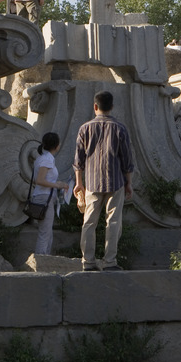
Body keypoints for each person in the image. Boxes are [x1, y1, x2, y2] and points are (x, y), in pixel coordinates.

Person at [73, 91, 134, 272]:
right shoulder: (120, 128)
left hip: (92, 182)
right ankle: (110, 262)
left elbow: (78, 160)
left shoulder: (85, 128)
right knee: (113, 222)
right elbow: (127, 160)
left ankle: (88, 262)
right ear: (112, 107)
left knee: (89, 222)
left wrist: (79, 183)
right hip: (116, 181)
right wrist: (129, 183)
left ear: (95, 106)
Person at [31, 132, 70, 255]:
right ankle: (41, 261)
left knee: (47, 233)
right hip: (44, 198)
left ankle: (45, 259)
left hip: (43, 197)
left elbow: (43, 180)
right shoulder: (47, 160)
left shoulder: (43, 158)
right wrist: (57, 185)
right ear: (57, 145)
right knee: (45, 234)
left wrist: (58, 183)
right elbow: (40, 180)